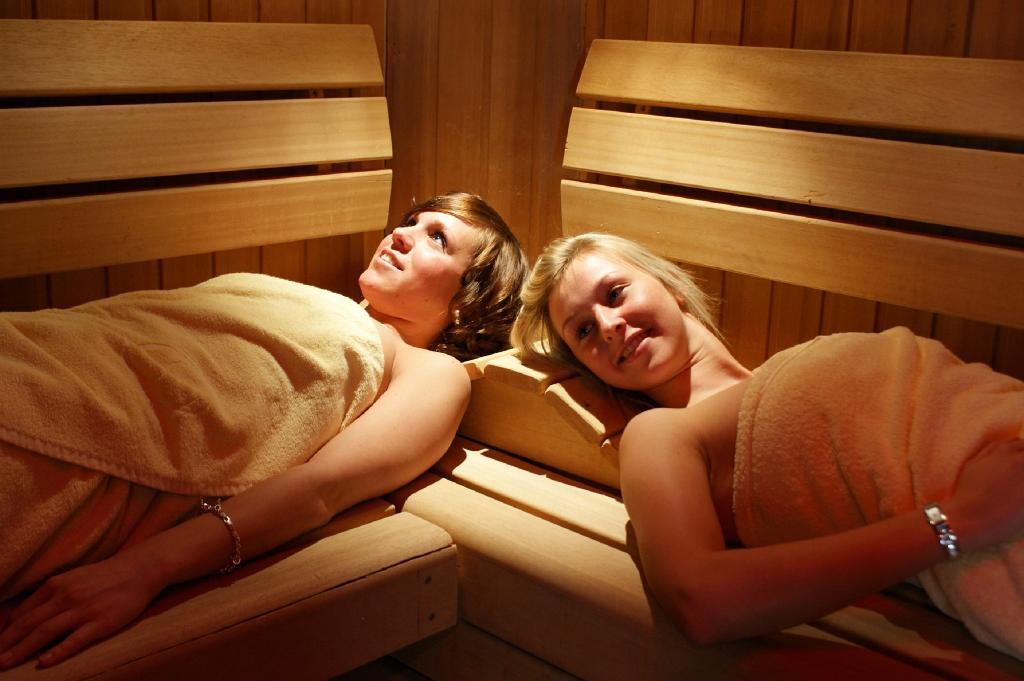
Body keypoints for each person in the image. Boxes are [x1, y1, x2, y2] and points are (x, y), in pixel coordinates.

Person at [0, 191, 529, 670]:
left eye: (437, 238)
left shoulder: (430, 371)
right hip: (54, 349)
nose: (402, 234)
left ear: (469, 302)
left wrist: (144, 570)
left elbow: (322, 488)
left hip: (86, 420)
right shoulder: (315, 302)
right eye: (410, 221)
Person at [512, 231, 1024, 658]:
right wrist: (959, 522)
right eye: (583, 331)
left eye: (615, 294)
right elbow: (702, 601)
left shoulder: (772, 377)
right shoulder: (661, 433)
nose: (608, 326)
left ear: (671, 287)